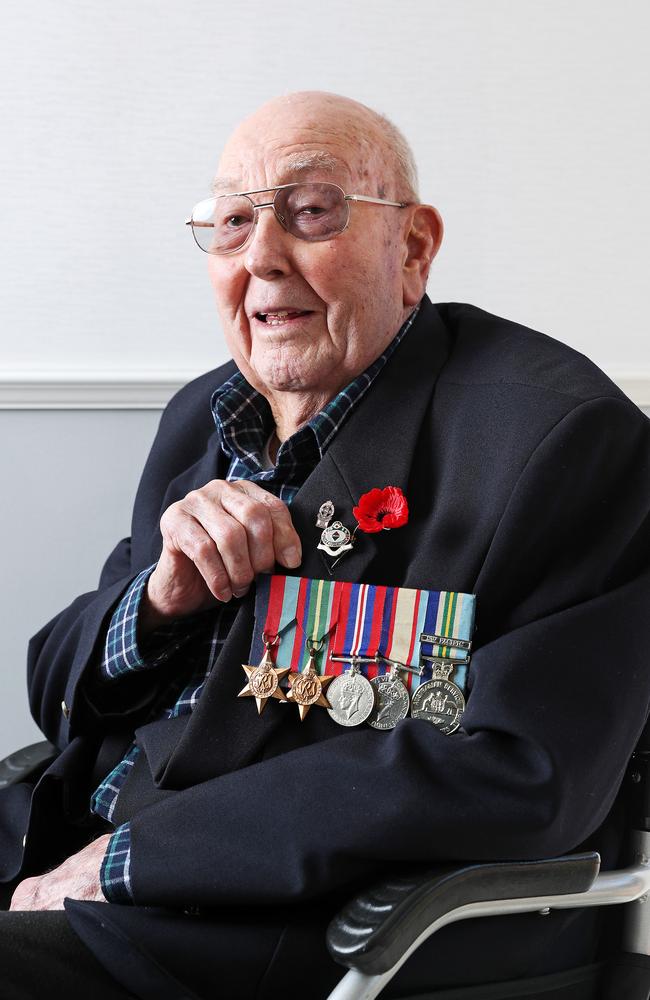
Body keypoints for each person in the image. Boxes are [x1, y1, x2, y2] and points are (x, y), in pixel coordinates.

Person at [1, 90, 649, 1000]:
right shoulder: (209, 413)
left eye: (311, 212)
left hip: (275, 934)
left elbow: (524, 772)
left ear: (413, 247)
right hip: (60, 843)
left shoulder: (557, 439)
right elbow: (53, 688)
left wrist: (128, 862)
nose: (262, 259)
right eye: (232, 222)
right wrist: (157, 604)